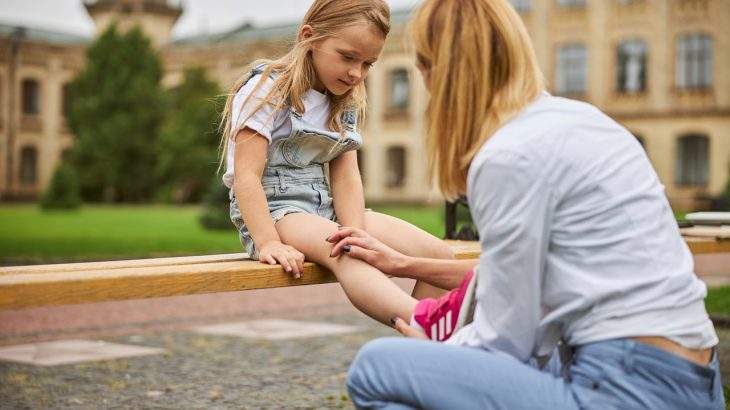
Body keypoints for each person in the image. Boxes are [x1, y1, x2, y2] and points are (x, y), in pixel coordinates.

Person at [336, 0, 725, 408]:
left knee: (376, 367)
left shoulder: (509, 156)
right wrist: (406, 267)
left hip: (625, 386)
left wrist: (433, 347)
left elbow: (505, 342)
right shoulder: (583, 120)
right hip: (696, 378)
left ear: (443, 73)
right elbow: (522, 286)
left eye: (424, 70)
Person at [217, 0, 456, 326]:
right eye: (347, 57)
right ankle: (422, 323)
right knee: (345, 254)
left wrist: (356, 231)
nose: (357, 73)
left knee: (437, 254)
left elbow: (346, 176)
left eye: (368, 64)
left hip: (325, 209)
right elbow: (246, 176)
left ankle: (421, 346)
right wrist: (268, 241)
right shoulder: (267, 89)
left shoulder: (344, 101)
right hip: (276, 212)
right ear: (309, 37)